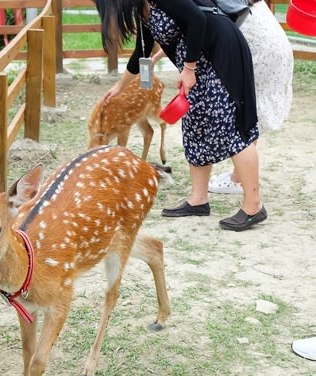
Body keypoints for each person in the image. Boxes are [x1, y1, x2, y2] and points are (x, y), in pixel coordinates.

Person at [96, 0, 266, 231]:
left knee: (230, 127)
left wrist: (189, 69)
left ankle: (253, 206)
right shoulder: (143, 8)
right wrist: (119, 86)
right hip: (199, 63)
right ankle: (198, 200)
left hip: (220, 52)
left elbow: (198, 20)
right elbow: (142, 53)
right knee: (194, 124)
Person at [208, 0, 294, 194]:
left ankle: (239, 180)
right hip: (276, 49)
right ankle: (237, 175)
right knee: (250, 114)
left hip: (259, 53)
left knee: (245, 116)